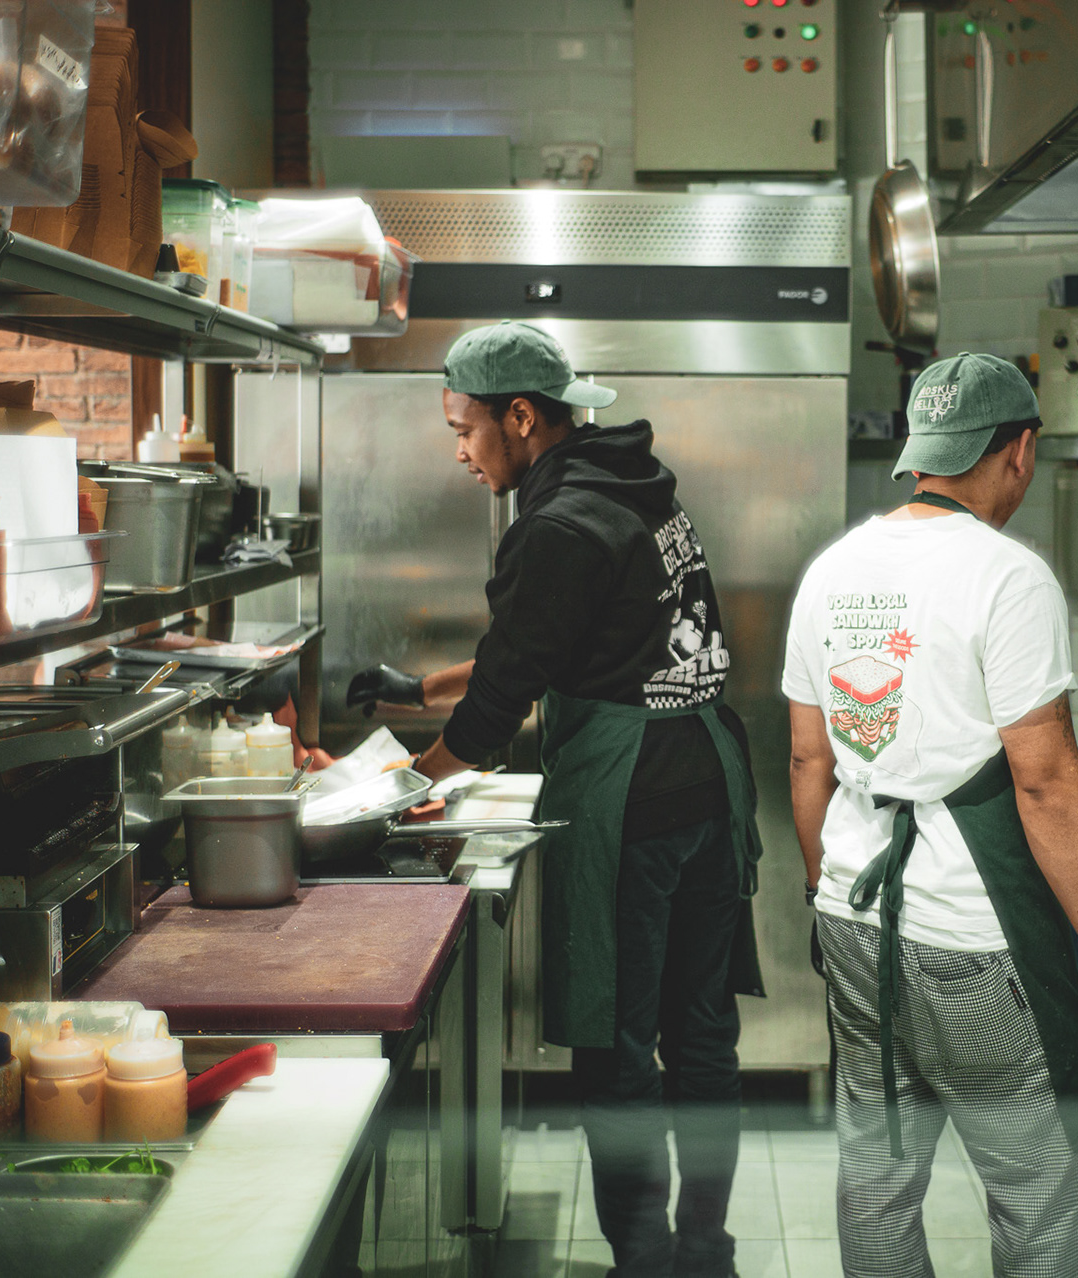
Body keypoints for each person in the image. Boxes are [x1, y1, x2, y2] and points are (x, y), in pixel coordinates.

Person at [346, 321, 763, 1278]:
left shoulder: (558, 524)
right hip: (708, 783)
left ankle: (645, 1263)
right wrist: (421, 692)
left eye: (464, 428)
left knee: (616, 1050)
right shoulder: (635, 489)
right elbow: (552, 645)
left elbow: (506, 696)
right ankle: (705, 1255)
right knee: (703, 1040)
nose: (459, 451)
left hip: (633, 802)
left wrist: (412, 786)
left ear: (522, 417)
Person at [782, 351, 1078, 1278]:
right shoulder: (1008, 577)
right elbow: (1045, 781)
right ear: (1020, 450)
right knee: (1044, 1193)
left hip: (855, 920)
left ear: (923, 451)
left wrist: (823, 891)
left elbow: (809, 760)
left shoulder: (831, 570)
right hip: (976, 944)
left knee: (878, 1180)